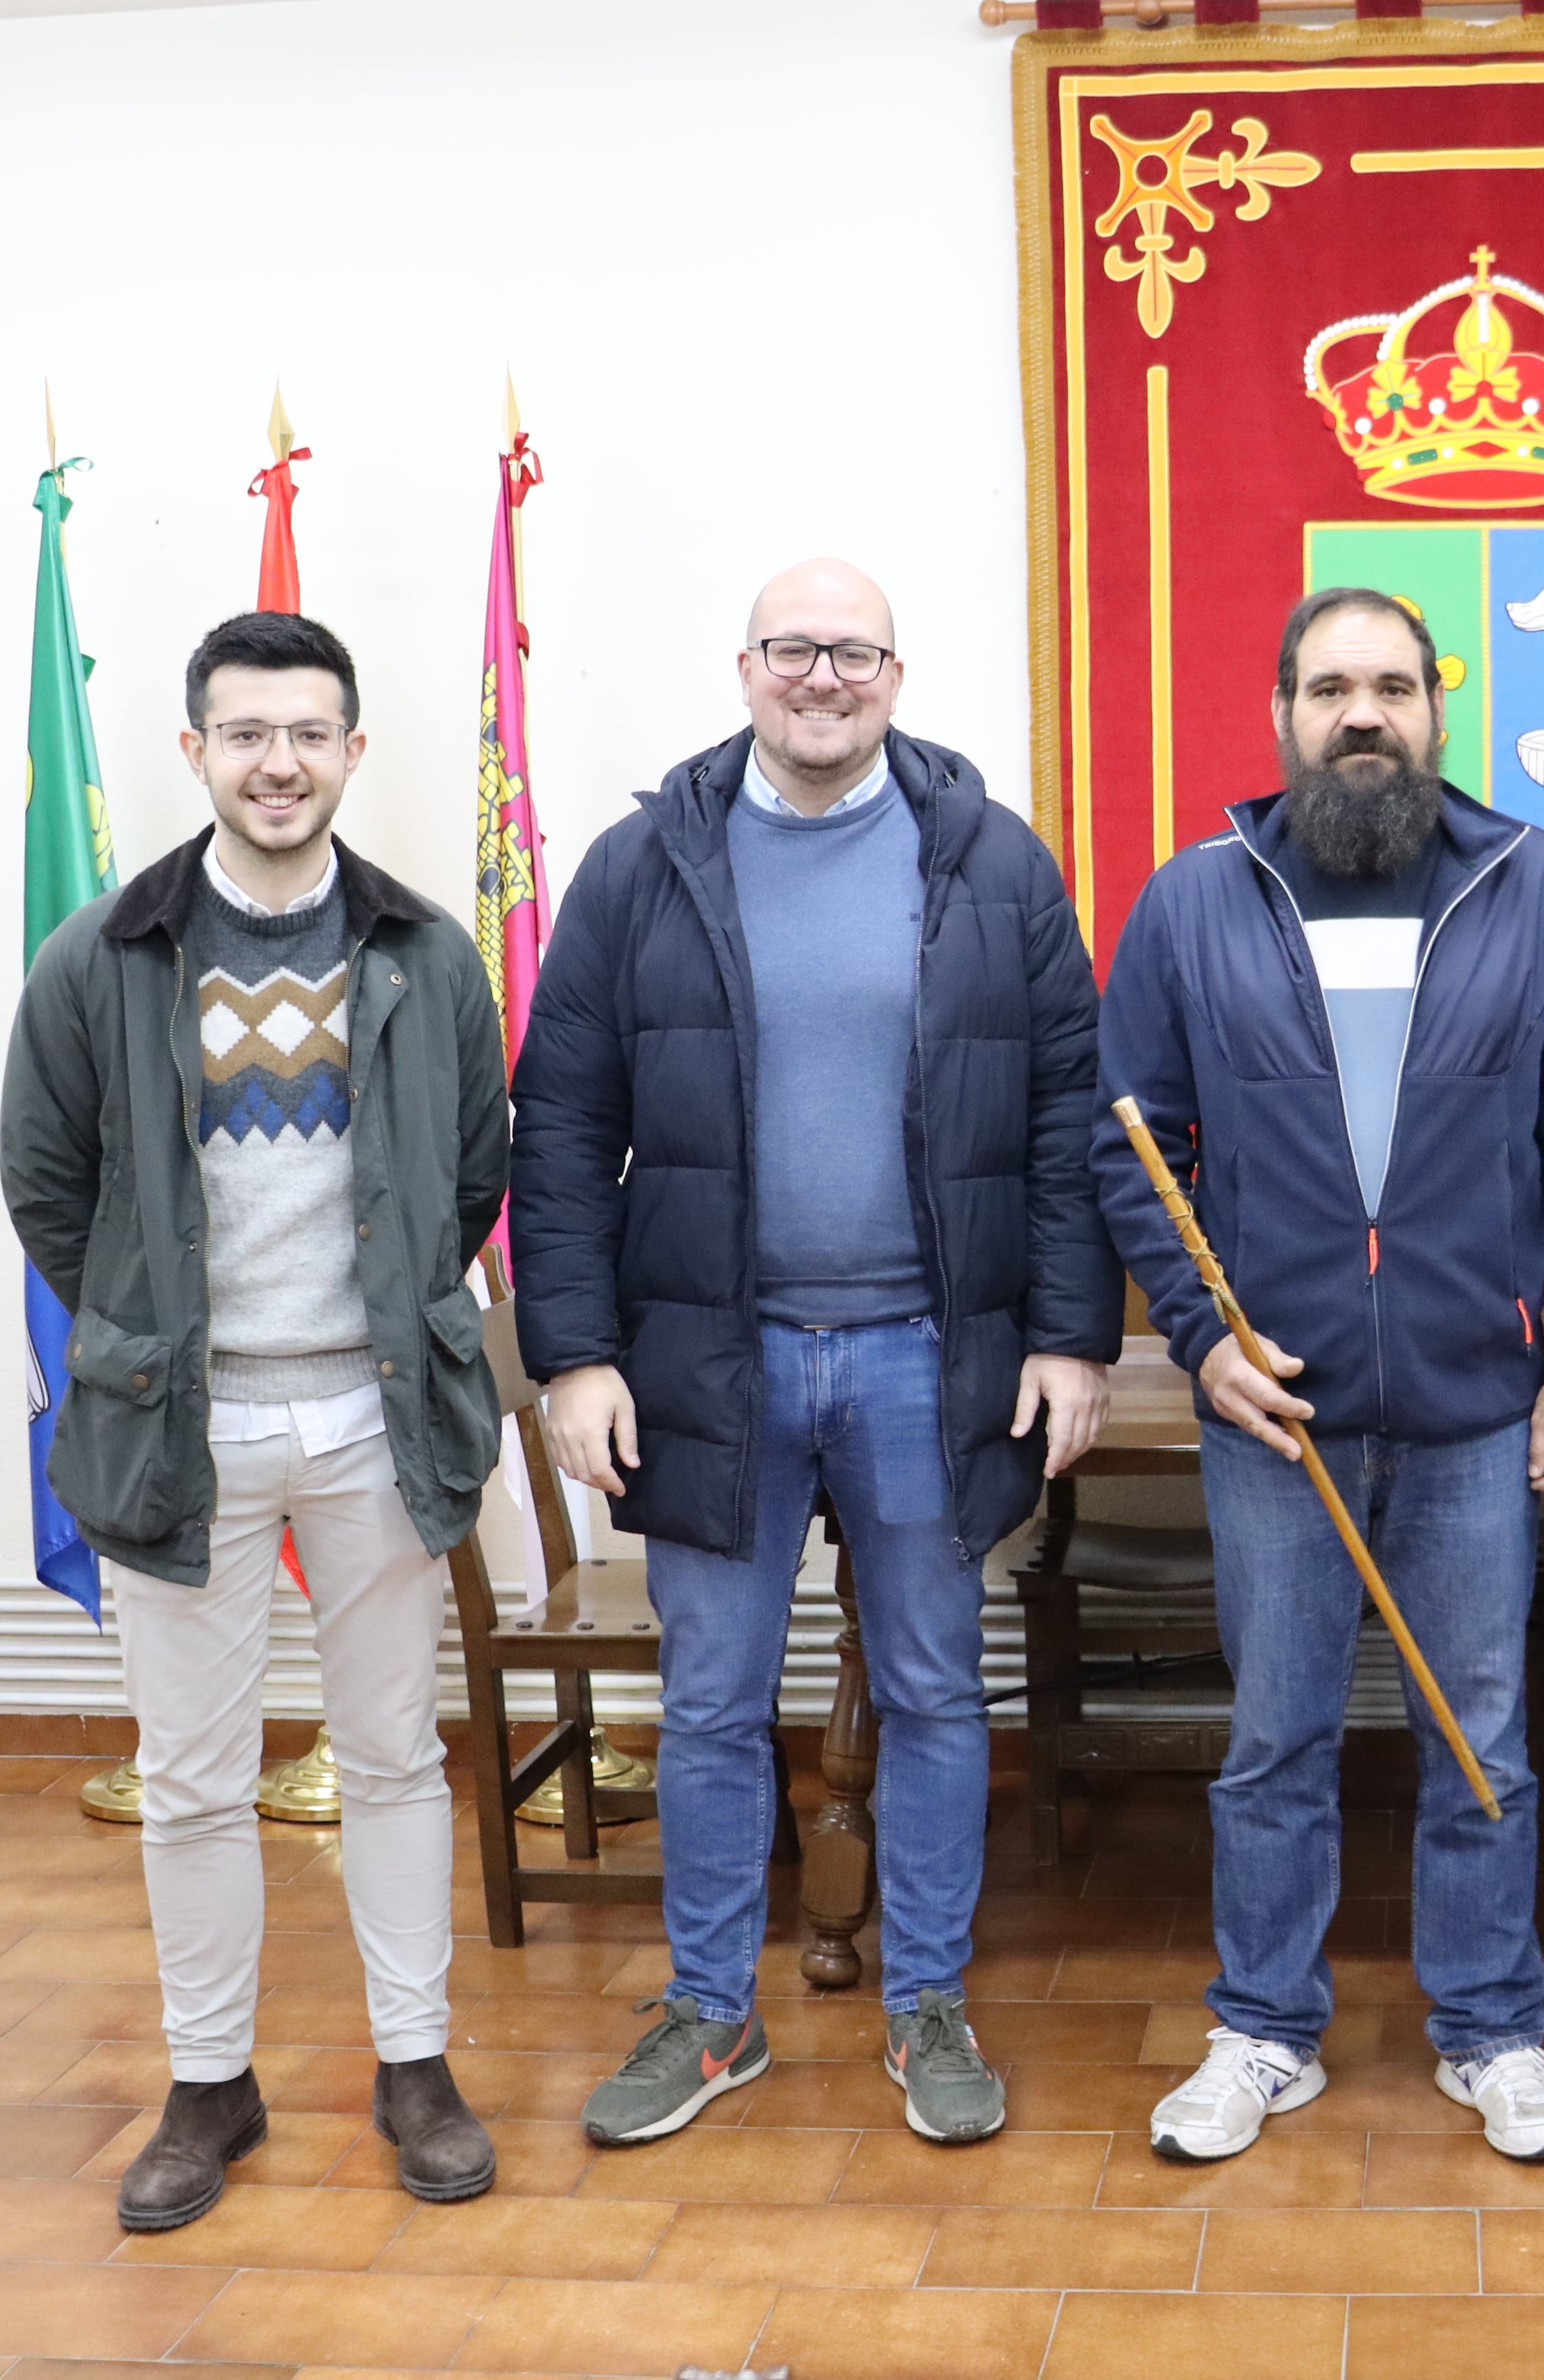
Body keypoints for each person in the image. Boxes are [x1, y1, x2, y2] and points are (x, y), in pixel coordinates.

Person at [512, 559, 1118, 2152]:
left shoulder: (992, 863)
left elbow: (1070, 1119)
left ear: (899, 675)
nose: (824, 676)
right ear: (745, 667)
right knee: (711, 1700)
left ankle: (927, 2001)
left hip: (934, 1352)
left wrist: (1070, 1331)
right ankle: (712, 2015)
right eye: (796, 648)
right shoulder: (643, 867)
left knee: (931, 1687)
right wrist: (576, 1353)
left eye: (854, 651)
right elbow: (561, 1126)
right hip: (717, 1357)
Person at [1094, 587, 1544, 2165]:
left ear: (1437, 710)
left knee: (1484, 1735)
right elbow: (1131, 1151)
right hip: (1281, 1414)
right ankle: (1264, 2028)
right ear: (1279, 712)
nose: (1362, 713)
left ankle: (1491, 2031)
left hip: (1477, 1407)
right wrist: (1205, 1343)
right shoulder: (1199, 898)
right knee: (1274, 1738)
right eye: (1330, 685)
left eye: (1392, 685)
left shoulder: (1535, 890)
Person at [1, 611, 508, 2231]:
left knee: (394, 1756)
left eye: (308, 733)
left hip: (378, 1421)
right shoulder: (103, 956)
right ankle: (209, 2083)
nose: (277, 762)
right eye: (245, 733)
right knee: (195, 1774)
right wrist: (155, 1330)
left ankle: (413, 2064)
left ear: (353, 752)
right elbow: (46, 1180)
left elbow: (476, 1167)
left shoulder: (428, 955)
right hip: (182, 1430)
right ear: (196, 751)